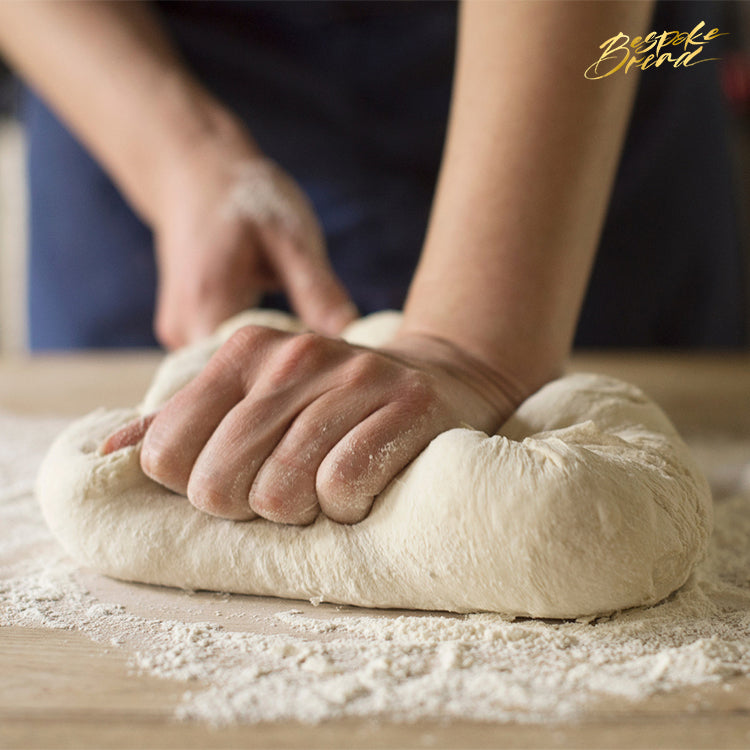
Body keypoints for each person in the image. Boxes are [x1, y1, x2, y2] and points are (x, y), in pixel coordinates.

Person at [0, 2, 745, 526]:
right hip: (140, 54)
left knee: (626, 479)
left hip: (570, 56)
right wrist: (179, 154)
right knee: (158, 456)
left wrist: (476, 347)